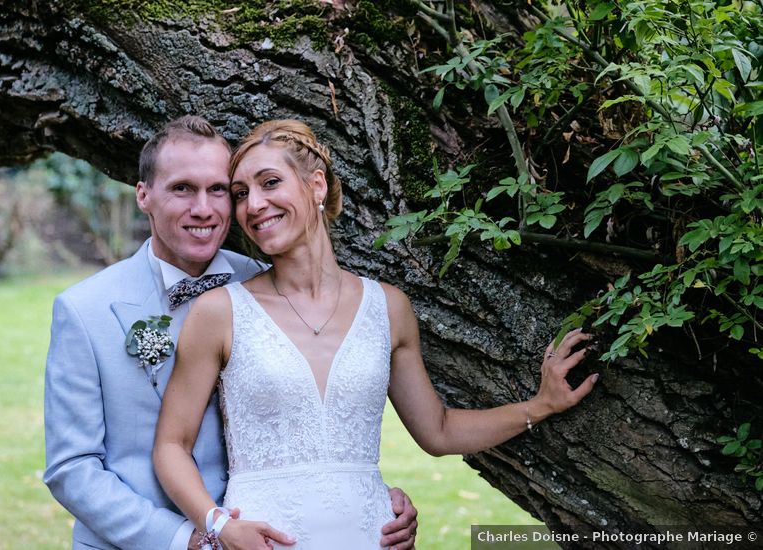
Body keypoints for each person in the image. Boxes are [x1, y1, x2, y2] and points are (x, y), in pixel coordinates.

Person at [153, 119, 599, 549]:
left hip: (370, 536)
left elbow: (438, 431)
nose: (252, 205)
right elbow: (172, 445)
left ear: (317, 185)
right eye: (241, 193)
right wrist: (218, 525)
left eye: (270, 183)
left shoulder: (387, 307)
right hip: (262, 542)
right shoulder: (221, 311)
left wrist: (540, 406)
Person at [43, 116, 418, 550]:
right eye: (183, 188)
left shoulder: (269, 286)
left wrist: (371, 500)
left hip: (274, 536)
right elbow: (73, 469)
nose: (203, 208)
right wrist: (192, 538)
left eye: (219, 190)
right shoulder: (85, 310)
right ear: (143, 195)